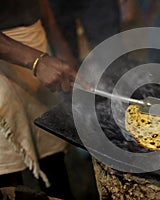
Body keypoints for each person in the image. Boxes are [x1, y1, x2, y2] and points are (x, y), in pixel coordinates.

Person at [0, 0, 77, 199]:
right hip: (13, 55)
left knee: (52, 153)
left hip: (33, 40)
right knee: (8, 176)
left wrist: (59, 44)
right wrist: (37, 60)